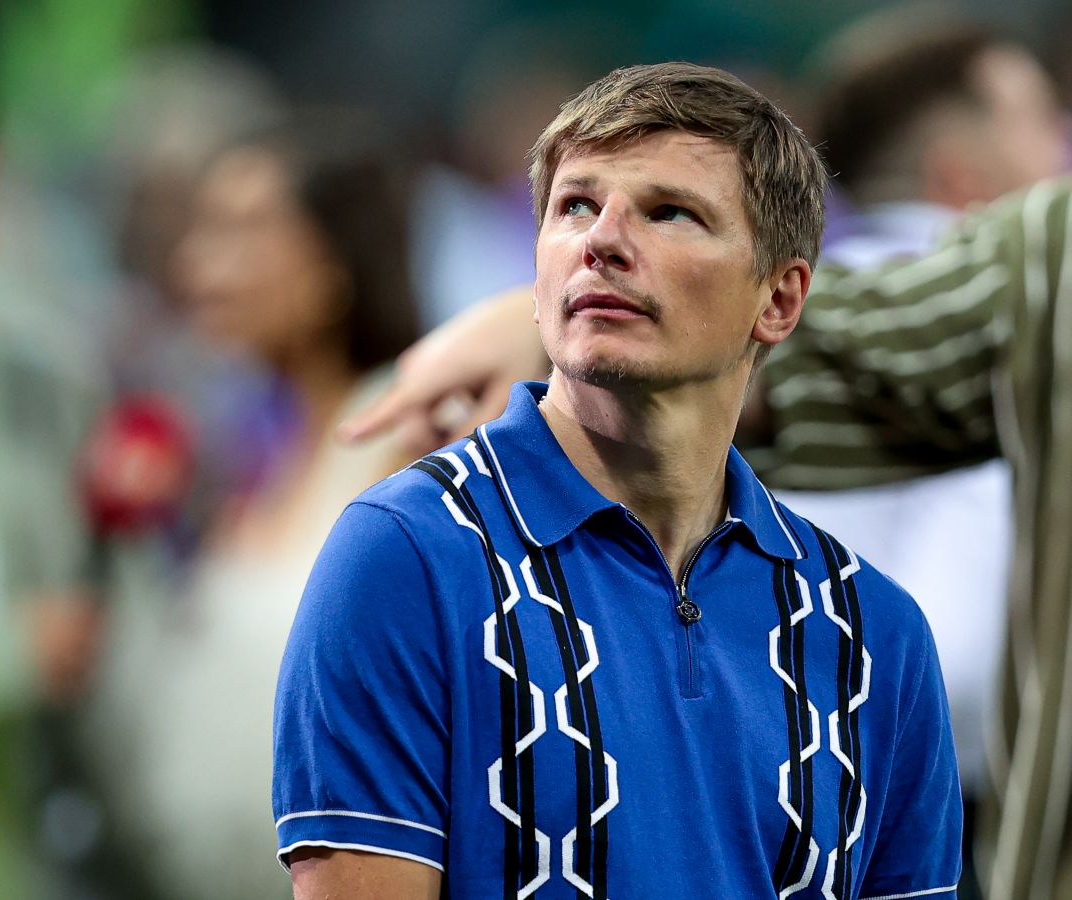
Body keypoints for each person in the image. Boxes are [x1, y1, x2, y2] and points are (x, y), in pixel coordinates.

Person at [276, 63, 962, 899]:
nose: (600, 240)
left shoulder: (875, 633)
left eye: (670, 212)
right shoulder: (406, 554)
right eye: (574, 206)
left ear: (780, 300)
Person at [83, 115, 421, 899]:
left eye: (241, 231)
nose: (196, 265)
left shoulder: (413, 447)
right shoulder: (247, 450)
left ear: (335, 260)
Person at [765, 20, 1068, 892]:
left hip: (771, 786)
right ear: (956, 171)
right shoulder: (1003, 314)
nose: (1061, 140)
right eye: (1039, 117)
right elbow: (960, 658)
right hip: (943, 801)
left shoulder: (777, 303)